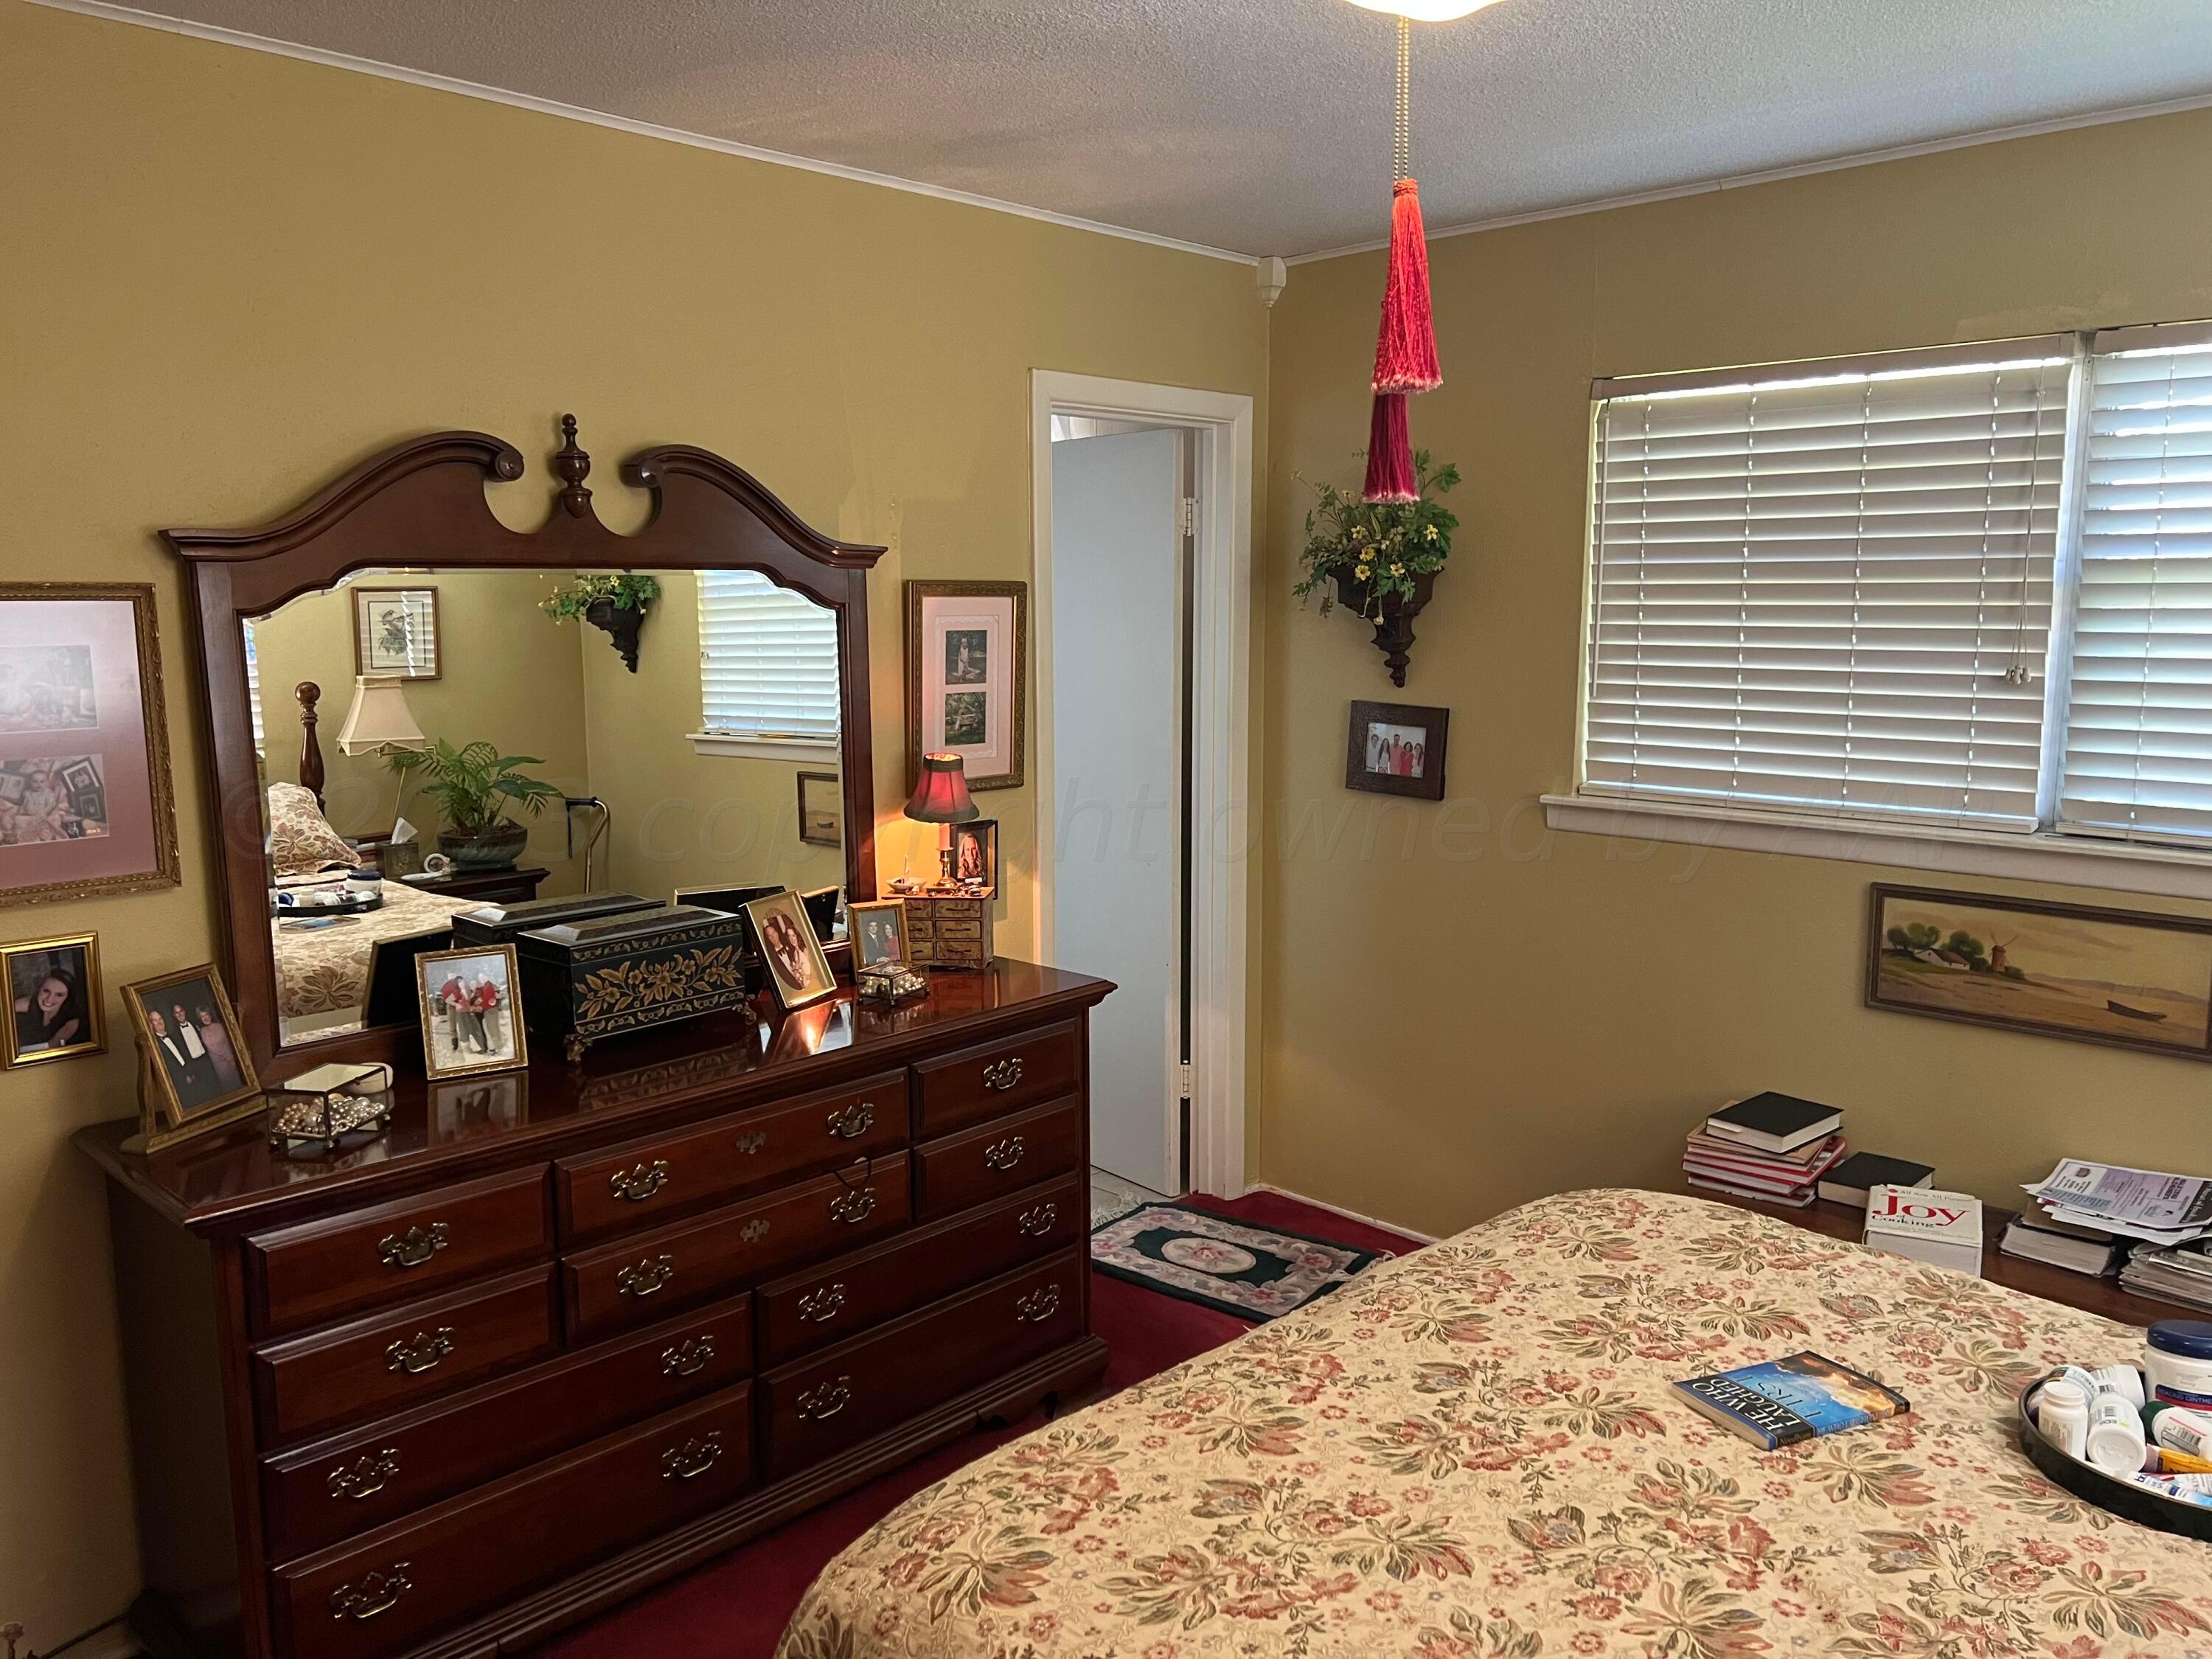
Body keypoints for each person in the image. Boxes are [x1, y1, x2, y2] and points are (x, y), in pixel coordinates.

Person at [146, 1005, 216, 1109]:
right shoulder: (158, 1044)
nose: (159, 1022)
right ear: (151, 1024)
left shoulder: (174, 1035)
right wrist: (185, 1076)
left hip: (200, 1066)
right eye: (155, 1020)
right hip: (182, 1079)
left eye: (160, 1019)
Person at [13, 963, 86, 1054]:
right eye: (46, 991)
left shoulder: (72, 1022)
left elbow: (51, 1048)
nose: (49, 999)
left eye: (59, 995)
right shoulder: (30, 1003)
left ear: (67, 998)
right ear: (40, 989)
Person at [194, 1002, 243, 1091]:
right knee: (228, 1089)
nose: (205, 1018)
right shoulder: (202, 1032)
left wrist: (232, 1061)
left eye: (206, 1014)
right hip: (218, 1066)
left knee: (238, 1087)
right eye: (202, 1016)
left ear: (210, 1015)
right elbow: (210, 1049)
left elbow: (228, 1044)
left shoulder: (220, 1027)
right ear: (200, 1019)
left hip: (230, 1062)